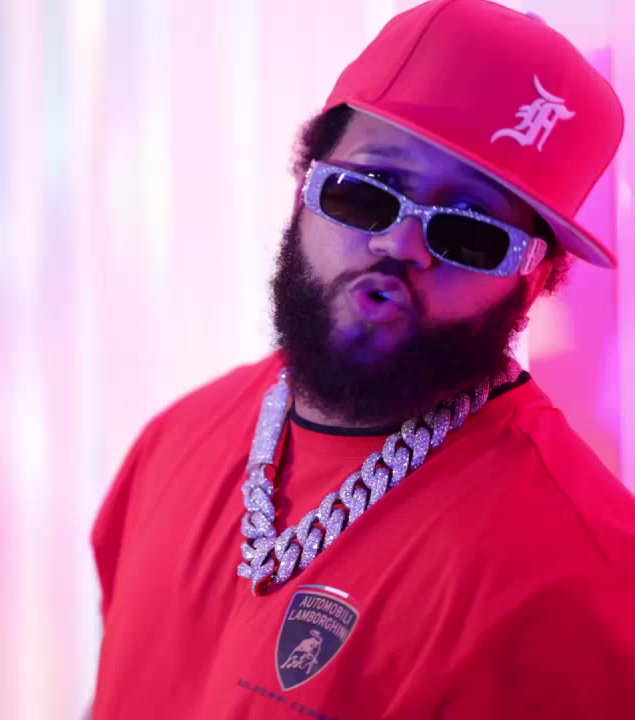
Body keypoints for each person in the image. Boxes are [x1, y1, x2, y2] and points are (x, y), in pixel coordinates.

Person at [89, 1, 635, 718]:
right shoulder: (173, 443)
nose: (399, 247)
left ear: (533, 281)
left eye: (469, 234)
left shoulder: (580, 578)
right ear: (303, 186)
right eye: (365, 194)